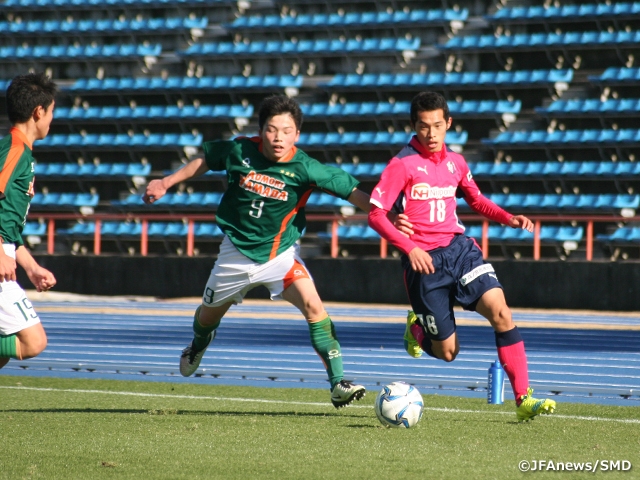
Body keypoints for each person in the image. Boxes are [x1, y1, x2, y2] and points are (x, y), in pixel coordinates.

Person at [144, 95, 408, 408]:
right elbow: (205, 160)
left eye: (286, 130)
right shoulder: (240, 150)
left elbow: (352, 193)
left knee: (314, 306)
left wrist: (388, 216)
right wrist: (166, 181)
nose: (278, 137)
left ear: (297, 134)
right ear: (261, 131)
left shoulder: (307, 168)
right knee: (207, 318)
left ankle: (338, 383)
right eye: (271, 129)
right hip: (235, 255)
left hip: (279, 256)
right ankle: (198, 345)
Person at [368, 91, 557, 422]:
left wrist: (508, 218)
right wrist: (408, 247)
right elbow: (375, 214)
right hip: (423, 262)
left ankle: (523, 398)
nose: (431, 134)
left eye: (438, 126)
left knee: (501, 312)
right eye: (424, 126)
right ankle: (417, 330)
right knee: (448, 353)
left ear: (449, 124)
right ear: (413, 126)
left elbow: (477, 200)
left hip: (460, 251)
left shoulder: (457, 162)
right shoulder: (401, 164)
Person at [0, 73, 58, 369]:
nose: (51, 119)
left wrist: (32, 267)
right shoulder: (15, 150)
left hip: (6, 252)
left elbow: (8, 226)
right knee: (32, 342)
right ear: (39, 112)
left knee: (3, 351)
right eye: (51, 112)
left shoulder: (22, 153)